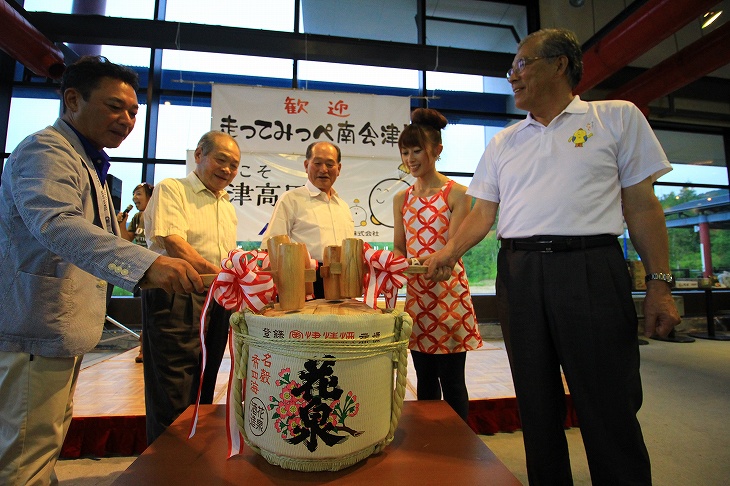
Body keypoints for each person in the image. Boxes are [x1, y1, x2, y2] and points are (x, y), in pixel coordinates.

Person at [425, 28, 681, 485]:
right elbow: (483, 212)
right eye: (511, 68)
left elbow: (642, 204)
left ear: (560, 64)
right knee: (535, 400)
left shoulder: (615, 118)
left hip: (590, 267)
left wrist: (660, 283)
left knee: (607, 400)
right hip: (519, 272)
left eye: (522, 64)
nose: (512, 76)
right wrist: (447, 252)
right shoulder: (504, 141)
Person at [0, 56, 203, 486]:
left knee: (42, 439)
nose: (128, 120)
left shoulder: (86, 159)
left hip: (59, 329)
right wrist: (149, 264)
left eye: (133, 111)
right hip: (35, 325)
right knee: (24, 451)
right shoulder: (45, 150)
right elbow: (56, 223)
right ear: (72, 100)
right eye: (115, 107)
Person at [142, 130, 240, 444]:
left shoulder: (225, 204)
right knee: (174, 383)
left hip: (217, 299)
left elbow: (227, 255)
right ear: (199, 155)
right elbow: (173, 241)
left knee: (205, 377)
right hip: (177, 295)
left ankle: (193, 456)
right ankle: (165, 464)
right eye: (221, 160)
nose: (227, 170)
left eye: (234, 165)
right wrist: (220, 275)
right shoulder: (174, 189)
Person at [392, 108, 483, 422]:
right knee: (425, 378)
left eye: (417, 150)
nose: (410, 158)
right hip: (418, 298)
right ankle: (429, 441)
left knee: (453, 379)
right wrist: (394, 266)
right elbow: (399, 246)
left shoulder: (457, 193)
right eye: (405, 151)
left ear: (437, 151)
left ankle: (461, 444)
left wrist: (442, 261)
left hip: (449, 295)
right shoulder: (401, 198)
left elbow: (454, 246)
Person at [261, 141, 354, 298]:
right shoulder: (291, 200)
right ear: (306, 165)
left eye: (330, 164)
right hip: (303, 283)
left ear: (339, 169)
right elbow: (271, 246)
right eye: (317, 163)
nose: (323, 170)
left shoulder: (343, 206)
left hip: (343, 281)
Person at [117, 182, 154, 363]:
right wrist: (122, 224)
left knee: (150, 310)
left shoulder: (157, 215)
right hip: (140, 269)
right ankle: (143, 348)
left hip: (155, 269)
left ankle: (145, 348)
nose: (134, 198)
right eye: (133, 194)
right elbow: (126, 239)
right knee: (144, 310)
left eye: (139, 194)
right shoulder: (138, 217)